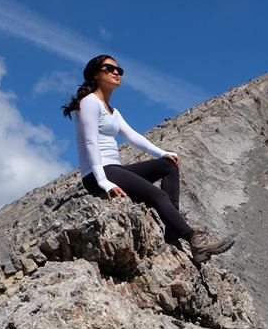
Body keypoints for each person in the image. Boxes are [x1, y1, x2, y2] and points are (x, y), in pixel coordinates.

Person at [62, 54, 234, 263]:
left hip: (115, 169)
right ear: (95, 75)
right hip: (99, 173)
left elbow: (133, 137)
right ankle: (193, 239)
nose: (117, 72)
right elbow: (90, 142)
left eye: (119, 70)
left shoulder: (112, 111)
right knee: (158, 196)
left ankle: (172, 230)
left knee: (168, 166)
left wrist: (162, 153)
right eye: (109, 68)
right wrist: (103, 182)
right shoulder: (90, 102)